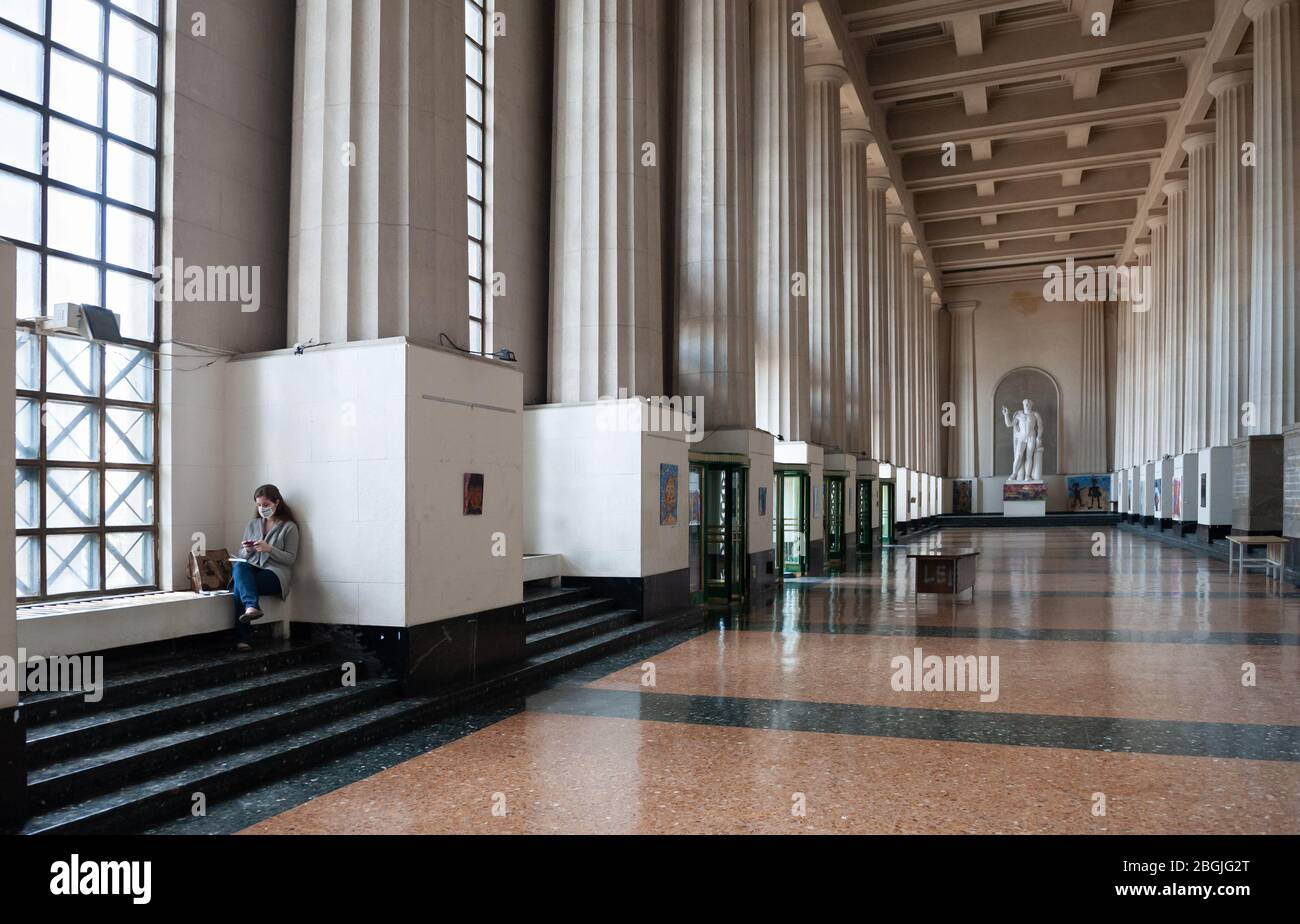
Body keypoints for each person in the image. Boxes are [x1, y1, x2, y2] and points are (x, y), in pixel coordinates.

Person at [231, 484, 300, 652]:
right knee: (240, 566)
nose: (262, 508)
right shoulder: (253, 524)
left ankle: (243, 637)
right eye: (259, 505)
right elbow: (242, 553)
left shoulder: (289, 526)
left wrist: (270, 549)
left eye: (266, 505)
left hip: (275, 574)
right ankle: (251, 607)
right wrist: (247, 550)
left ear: (277, 502)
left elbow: (290, 558)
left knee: (239, 587)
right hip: (252, 568)